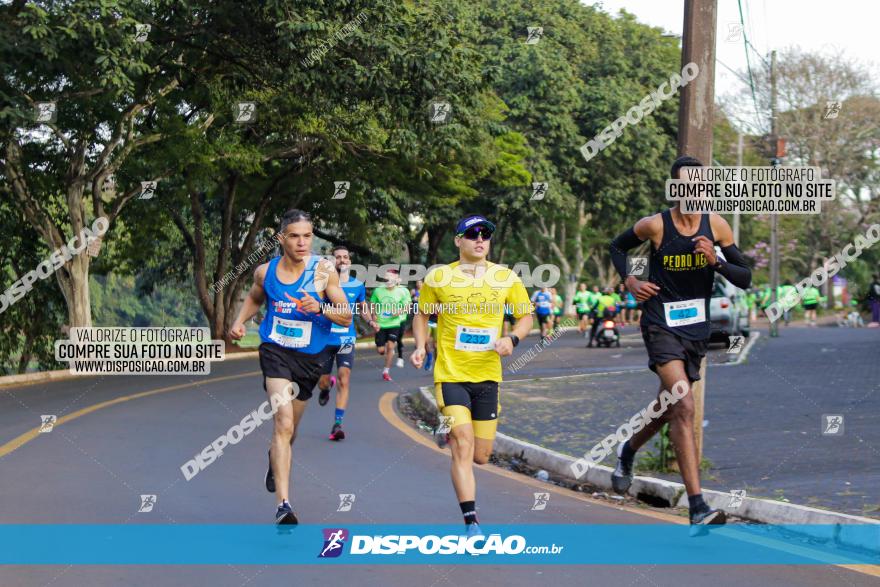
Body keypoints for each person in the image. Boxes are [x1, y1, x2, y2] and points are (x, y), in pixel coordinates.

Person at [608, 155, 752, 535]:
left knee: (667, 405)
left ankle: (628, 449)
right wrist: (632, 282)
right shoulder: (655, 225)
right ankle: (698, 506)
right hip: (659, 323)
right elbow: (616, 248)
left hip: (696, 330)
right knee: (683, 404)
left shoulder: (716, 225)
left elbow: (746, 277)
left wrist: (716, 262)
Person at [410, 215, 533, 539]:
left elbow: (525, 317)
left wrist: (513, 339)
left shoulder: (506, 278)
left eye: (486, 235)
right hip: (450, 374)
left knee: (481, 456)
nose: (480, 239)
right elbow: (422, 315)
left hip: (488, 377)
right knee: (462, 445)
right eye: (472, 234)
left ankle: (447, 428)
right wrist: (421, 346)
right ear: (458, 240)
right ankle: (472, 522)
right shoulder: (439, 277)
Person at [229, 209, 352, 524]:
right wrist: (240, 322)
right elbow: (256, 298)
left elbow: (346, 316)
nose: (302, 242)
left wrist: (322, 307)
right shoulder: (264, 272)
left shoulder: (324, 272)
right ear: (281, 238)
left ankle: (275, 460)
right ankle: (283, 505)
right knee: (282, 423)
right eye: (295, 236)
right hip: (275, 351)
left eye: (307, 236)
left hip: (311, 358)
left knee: (290, 430)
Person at [314, 244, 376, 441]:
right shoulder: (322, 285)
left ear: (350, 261)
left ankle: (337, 424)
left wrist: (371, 321)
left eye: (345, 257)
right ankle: (325, 387)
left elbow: (362, 307)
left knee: (345, 377)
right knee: (322, 381)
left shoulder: (357, 285)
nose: (342, 260)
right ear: (332, 261)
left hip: (346, 339)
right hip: (324, 339)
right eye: (338, 257)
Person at [370, 269, 411, 381]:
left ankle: (386, 371)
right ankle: (388, 350)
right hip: (381, 324)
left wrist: (398, 312)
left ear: (396, 279)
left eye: (391, 278)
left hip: (394, 323)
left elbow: (408, 306)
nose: (388, 280)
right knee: (381, 351)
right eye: (387, 277)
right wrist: (373, 315)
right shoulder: (378, 290)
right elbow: (373, 303)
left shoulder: (402, 291)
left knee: (391, 346)